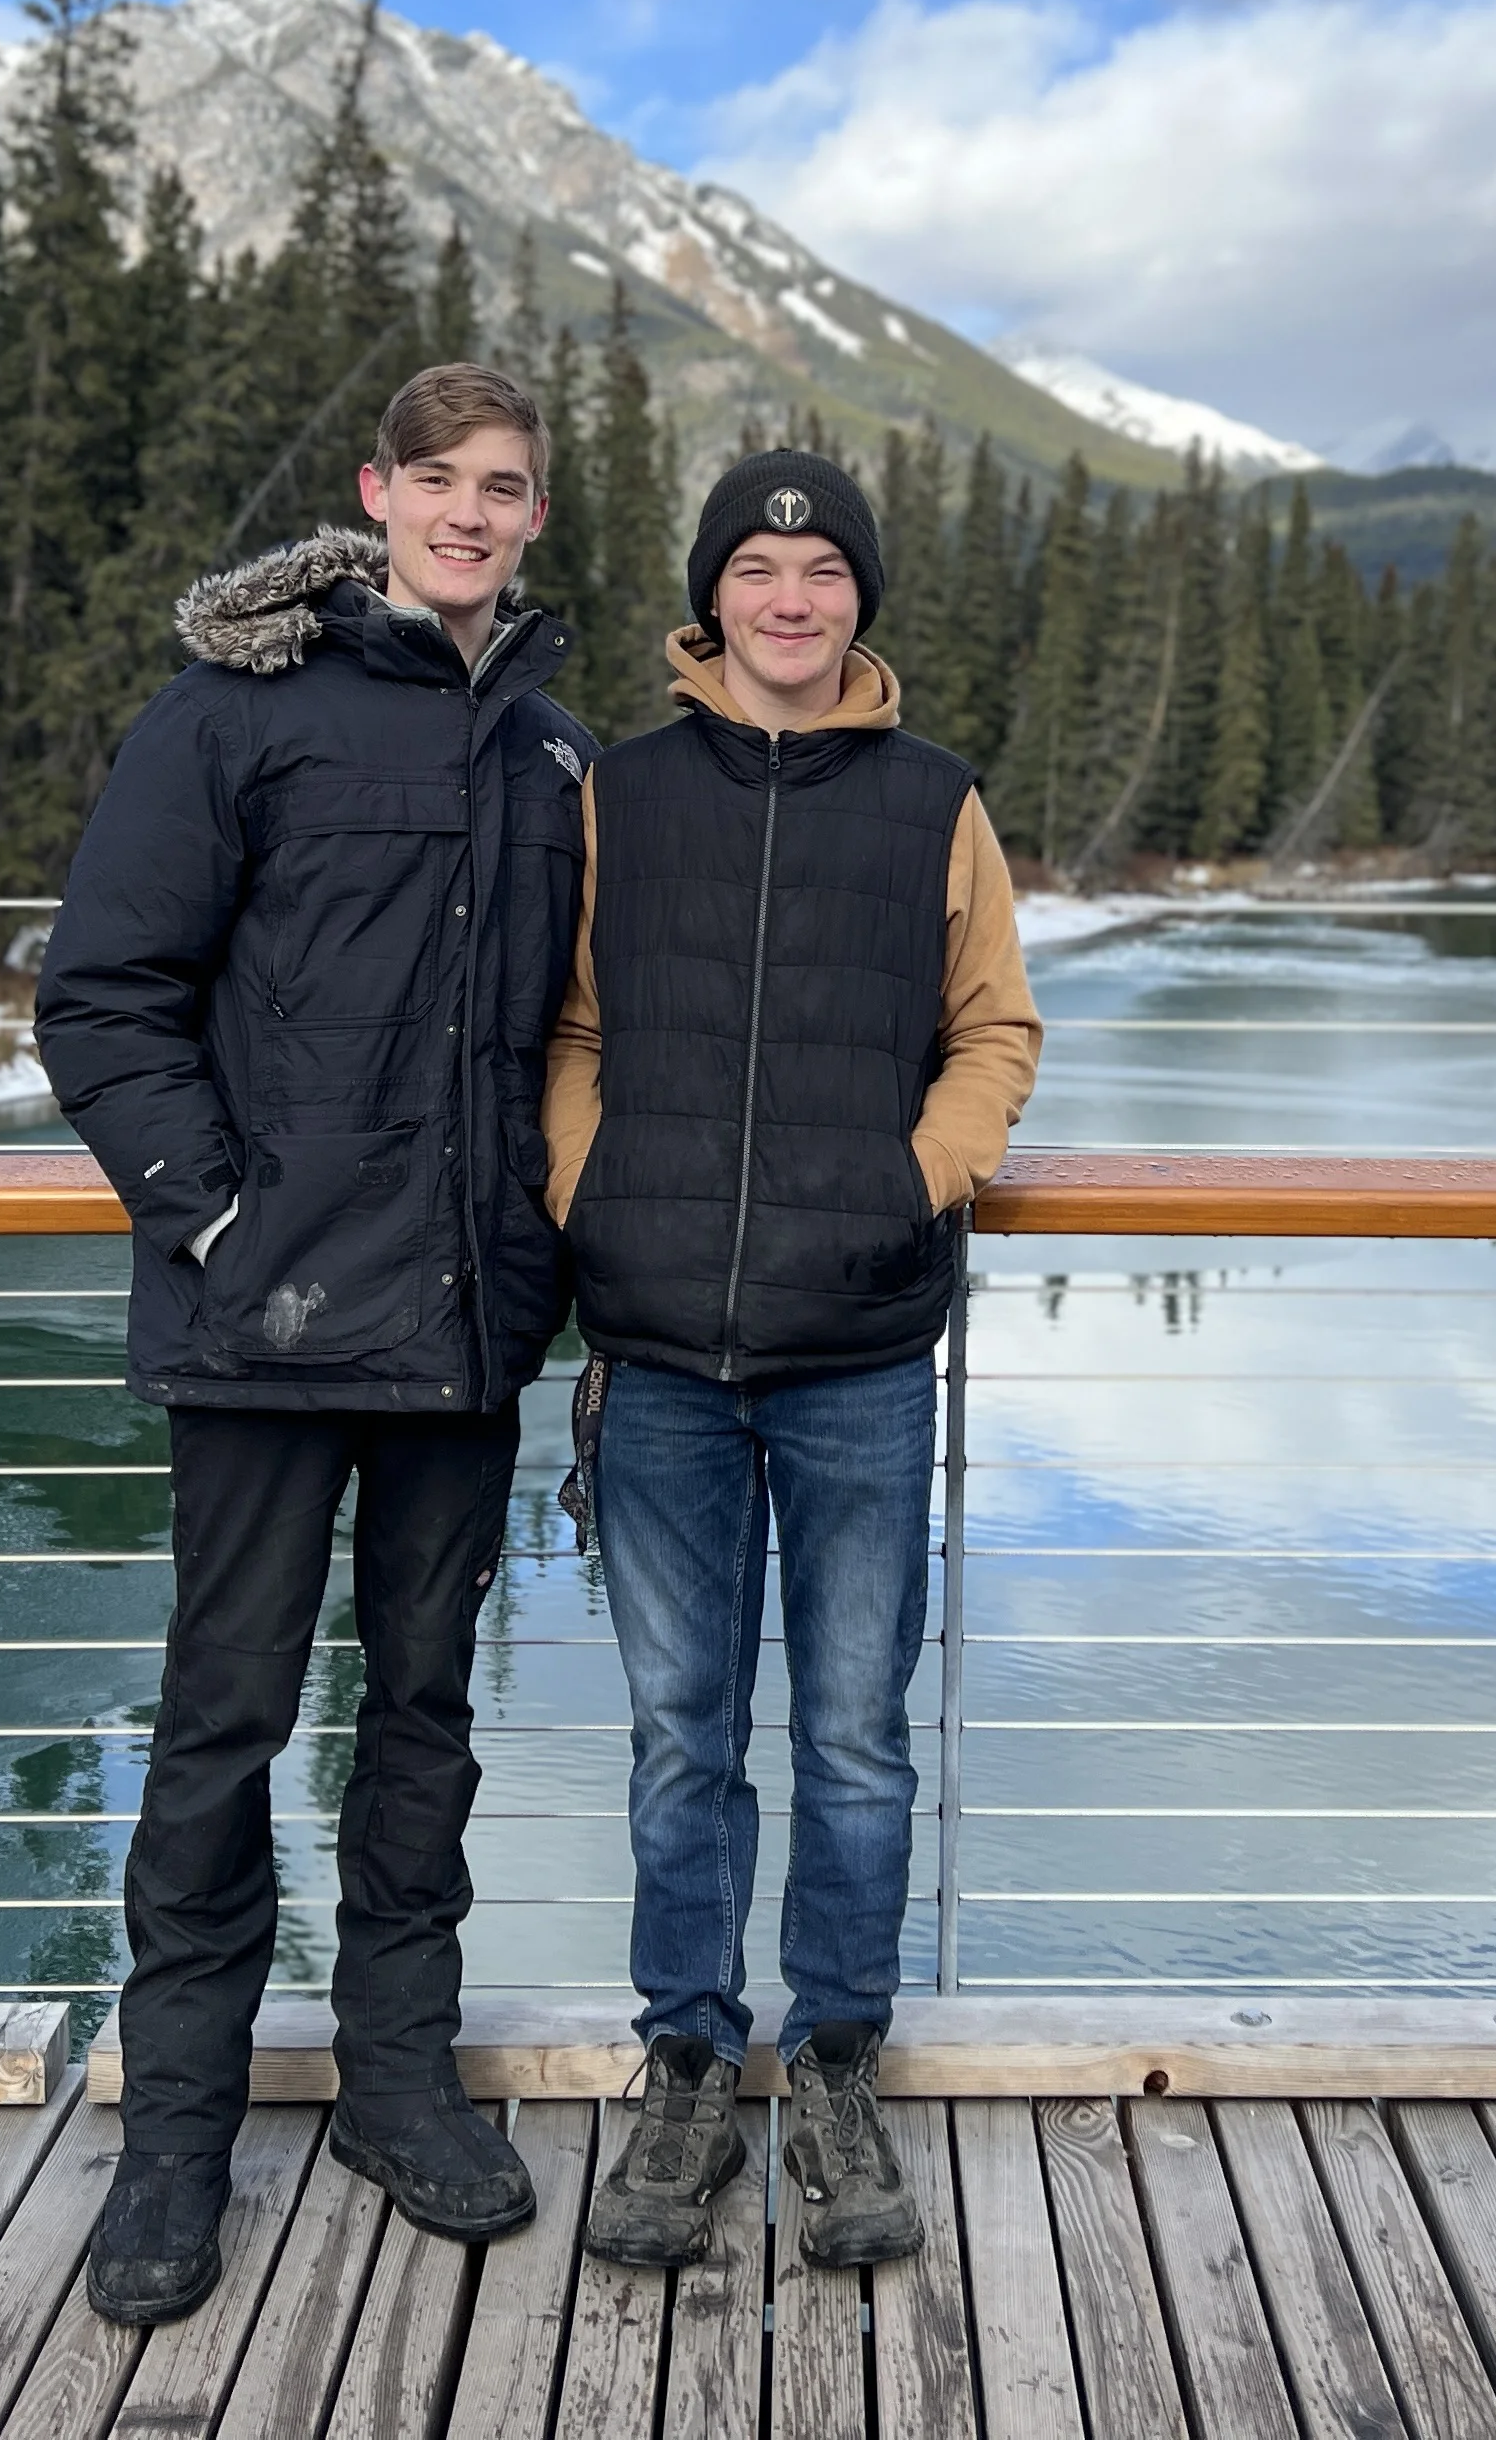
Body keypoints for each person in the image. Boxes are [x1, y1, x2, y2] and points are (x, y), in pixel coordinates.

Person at [35, 364, 596, 2322]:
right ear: (379, 493)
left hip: (458, 1328)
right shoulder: (236, 711)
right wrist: (212, 1215)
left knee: (421, 1730)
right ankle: (172, 2148)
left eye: (501, 486)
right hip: (261, 1329)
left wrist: (545, 1264)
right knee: (218, 1739)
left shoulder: (547, 750)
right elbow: (101, 995)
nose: (466, 511)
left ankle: (398, 2088)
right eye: (435, 479)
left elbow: (569, 1046)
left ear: (534, 513)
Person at [542, 448, 1043, 2271]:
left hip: (859, 1354)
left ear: (858, 603)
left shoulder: (936, 803)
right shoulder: (623, 791)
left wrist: (905, 1184)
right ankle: (686, 2068)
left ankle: (835, 2063)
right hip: (662, 1349)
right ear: (715, 597)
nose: (791, 598)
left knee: (851, 1741)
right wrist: (596, 1196)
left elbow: (994, 1032)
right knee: (684, 1741)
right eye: (760, 570)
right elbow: (573, 1026)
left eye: (824, 571)